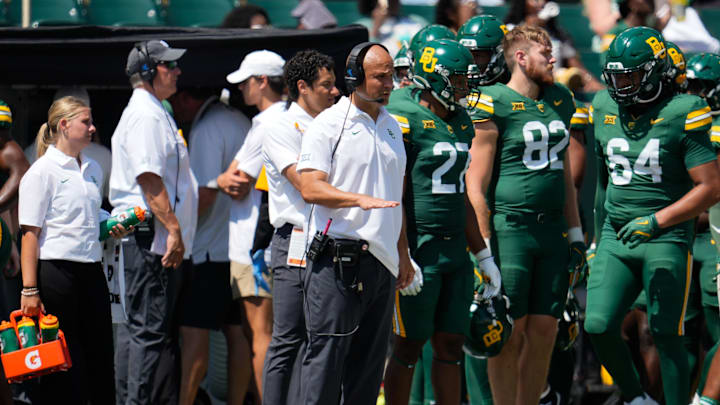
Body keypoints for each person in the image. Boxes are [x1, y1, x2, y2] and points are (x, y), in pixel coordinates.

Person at [585, 27, 720, 405]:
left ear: (654, 72)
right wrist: (597, 240)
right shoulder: (603, 106)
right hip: (615, 232)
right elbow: (602, 185)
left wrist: (657, 221)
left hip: (666, 235)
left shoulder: (684, 111)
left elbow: (710, 187)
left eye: (630, 76)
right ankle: (636, 398)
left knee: (666, 333)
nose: (622, 86)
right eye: (616, 77)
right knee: (597, 323)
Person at [465, 25, 585, 404]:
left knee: (547, 332)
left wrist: (577, 234)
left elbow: (564, 173)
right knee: (507, 331)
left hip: (551, 232)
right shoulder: (492, 101)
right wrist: (484, 247)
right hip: (510, 228)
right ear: (520, 57)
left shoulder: (560, 99)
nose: (553, 58)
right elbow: (476, 184)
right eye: (544, 51)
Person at [383, 38, 501, 405]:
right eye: (460, 80)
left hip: (454, 250)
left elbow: (460, 193)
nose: (467, 88)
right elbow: (395, 197)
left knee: (451, 342)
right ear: (435, 80)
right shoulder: (405, 119)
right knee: (408, 344)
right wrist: (403, 255)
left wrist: (483, 255)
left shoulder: (463, 122)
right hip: (420, 245)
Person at [296, 42, 412, 404]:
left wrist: (404, 255)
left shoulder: (393, 126)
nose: (389, 84)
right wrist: (357, 199)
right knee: (326, 364)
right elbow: (310, 187)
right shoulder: (328, 124)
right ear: (354, 77)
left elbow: (396, 197)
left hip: (384, 265)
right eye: (380, 77)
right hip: (338, 262)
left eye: (392, 76)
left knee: (369, 369)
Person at [18, 96, 130, 403]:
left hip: (91, 268)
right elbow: (30, 234)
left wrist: (113, 224)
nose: (93, 128)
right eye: (86, 122)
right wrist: (29, 289)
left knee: (100, 353)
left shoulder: (93, 168)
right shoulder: (42, 171)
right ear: (64, 125)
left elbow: (89, 217)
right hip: (56, 271)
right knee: (64, 360)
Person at [111, 39, 198, 405]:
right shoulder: (146, 114)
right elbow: (149, 179)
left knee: (145, 333)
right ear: (147, 72)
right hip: (150, 239)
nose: (177, 71)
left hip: (151, 238)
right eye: (168, 65)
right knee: (147, 333)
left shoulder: (155, 109)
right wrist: (174, 229)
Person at [261, 49, 340, 405]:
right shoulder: (279, 126)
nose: (336, 91)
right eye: (327, 85)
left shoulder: (336, 122)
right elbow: (307, 186)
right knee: (287, 337)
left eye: (335, 84)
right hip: (293, 241)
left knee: (321, 338)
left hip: (330, 240)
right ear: (302, 87)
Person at [168, 87, 253, 405]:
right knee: (238, 333)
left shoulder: (205, 129)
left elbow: (204, 194)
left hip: (208, 250)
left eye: (177, 100)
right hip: (240, 247)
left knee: (193, 334)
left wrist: (176, 228)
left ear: (187, 98)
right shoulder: (241, 120)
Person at [217, 49, 286, 404]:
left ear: (262, 82)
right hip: (266, 243)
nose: (242, 89)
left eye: (246, 81)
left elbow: (235, 179)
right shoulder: (288, 118)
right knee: (259, 334)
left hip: (255, 246)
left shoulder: (268, 122)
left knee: (261, 335)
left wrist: (221, 175)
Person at [686, 52, 720, 405]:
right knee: (676, 339)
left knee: (716, 337)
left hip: (712, 239)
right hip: (679, 238)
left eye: (702, 87)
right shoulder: (682, 119)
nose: (695, 93)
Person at [505, 0, 604, 93]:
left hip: (553, 88)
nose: (542, 3)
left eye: (545, 0)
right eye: (535, 0)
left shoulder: (558, 34)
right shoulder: (511, 30)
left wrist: (593, 84)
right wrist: (534, 24)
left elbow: (577, 65)